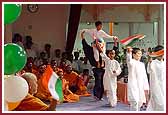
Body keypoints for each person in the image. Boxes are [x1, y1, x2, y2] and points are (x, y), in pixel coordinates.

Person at [81, 31, 105, 100]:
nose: (98, 45)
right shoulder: (90, 50)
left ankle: (99, 95)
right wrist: (82, 36)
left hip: (103, 69)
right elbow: (85, 45)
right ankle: (97, 95)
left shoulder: (102, 51)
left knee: (102, 82)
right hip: (96, 68)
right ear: (93, 45)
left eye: (99, 44)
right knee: (98, 80)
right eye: (96, 43)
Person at [126, 47, 149, 111]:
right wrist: (128, 53)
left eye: (141, 53)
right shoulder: (131, 62)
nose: (140, 55)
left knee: (139, 102)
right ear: (133, 55)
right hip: (133, 85)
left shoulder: (142, 64)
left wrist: (146, 87)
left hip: (140, 86)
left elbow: (144, 76)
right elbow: (128, 60)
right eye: (138, 53)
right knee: (134, 101)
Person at [147, 45, 165, 111]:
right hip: (156, 88)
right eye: (159, 53)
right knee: (159, 105)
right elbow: (149, 71)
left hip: (164, 87)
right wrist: (149, 62)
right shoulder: (153, 63)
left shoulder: (164, 63)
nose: (162, 54)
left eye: (163, 52)